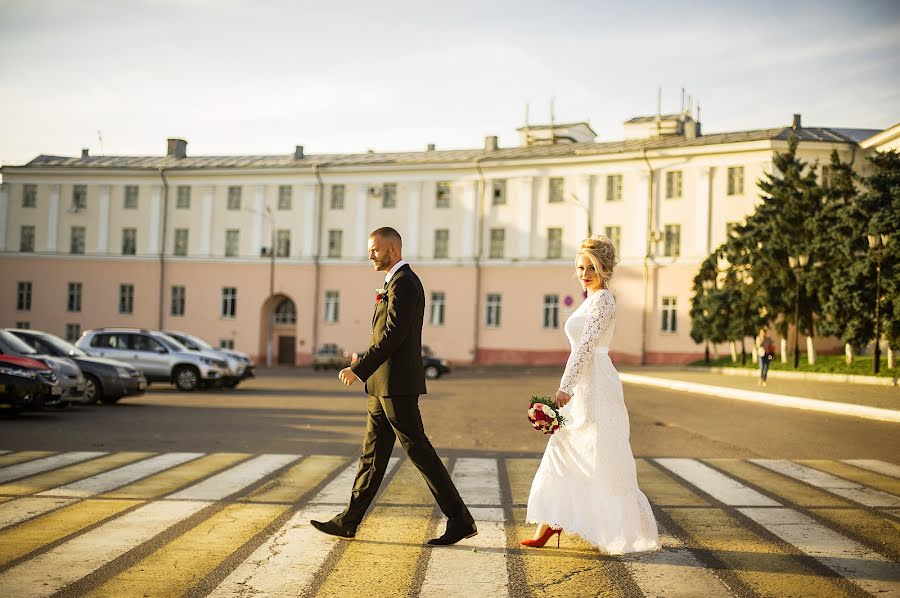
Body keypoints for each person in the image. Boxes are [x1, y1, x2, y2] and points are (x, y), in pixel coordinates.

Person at [310, 227, 476, 546]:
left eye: (375, 249)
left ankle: (460, 520)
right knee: (372, 455)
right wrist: (366, 365)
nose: (370, 255)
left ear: (393, 250)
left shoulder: (406, 283)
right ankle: (349, 520)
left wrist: (359, 368)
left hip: (396, 384)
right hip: (381, 384)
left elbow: (394, 336)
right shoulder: (395, 282)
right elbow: (385, 335)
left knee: (419, 450)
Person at [523, 235, 660, 554]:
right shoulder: (590, 299)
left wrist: (566, 386)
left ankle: (608, 527)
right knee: (565, 446)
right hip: (584, 380)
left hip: (594, 382)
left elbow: (585, 346)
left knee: (598, 451)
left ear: (606, 269)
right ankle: (551, 521)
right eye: (580, 268)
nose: (584, 274)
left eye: (592, 268)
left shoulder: (604, 301)